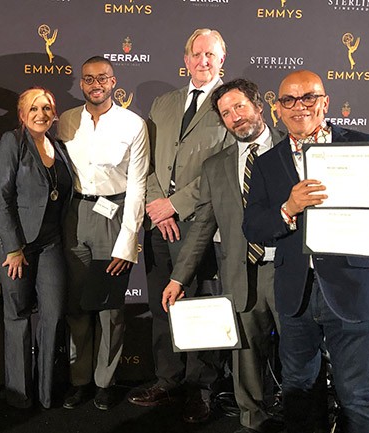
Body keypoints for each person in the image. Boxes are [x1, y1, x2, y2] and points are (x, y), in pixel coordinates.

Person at [243, 70, 369, 433]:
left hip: (354, 289)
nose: (299, 107)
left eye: (308, 97)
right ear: (277, 109)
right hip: (297, 294)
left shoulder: (368, 148)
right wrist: (287, 209)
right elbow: (254, 227)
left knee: (357, 393)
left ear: (325, 102)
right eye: (289, 100)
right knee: (298, 390)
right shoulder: (266, 163)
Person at [161, 78, 285, 433]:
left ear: (259, 106)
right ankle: (252, 421)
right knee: (245, 356)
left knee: (298, 355)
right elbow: (202, 226)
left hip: (287, 271)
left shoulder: (291, 149)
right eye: (227, 113)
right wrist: (177, 277)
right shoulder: (216, 165)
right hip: (240, 273)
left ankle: (304, 418)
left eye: (240, 107)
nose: (235, 117)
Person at [130, 28, 232, 423]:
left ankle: (200, 387)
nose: (202, 61)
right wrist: (158, 205)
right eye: (196, 54)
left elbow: (222, 168)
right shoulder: (164, 103)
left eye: (210, 54)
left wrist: (175, 204)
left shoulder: (229, 104)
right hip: (158, 223)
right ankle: (168, 379)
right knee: (162, 305)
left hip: (201, 223)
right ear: (185, 59)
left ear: (222, 59)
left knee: (201, 307)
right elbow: (148, 161)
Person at [57, 56, 147, 411]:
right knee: (78, 305)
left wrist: (129, 241)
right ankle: (80, 380)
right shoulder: (65, 120)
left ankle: (105, 382)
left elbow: (138, 185)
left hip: (115, 214)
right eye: (89, 79)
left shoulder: (133, 124)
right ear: (82, 84)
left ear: (114, 81)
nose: (96, 84)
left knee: (110, 308)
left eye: (103, 78)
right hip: (75, 214)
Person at [0, 87, 73, 409]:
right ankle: (19, 393)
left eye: (47, 107)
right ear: (22, 114)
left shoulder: (60, 146)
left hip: (52, 243)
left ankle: (46, 392)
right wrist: (13, 248)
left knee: (53, 315)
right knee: (18, 316)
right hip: (18, 246)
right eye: (34, 108)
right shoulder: (13, 142)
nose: (41, 114)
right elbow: (1, 196)